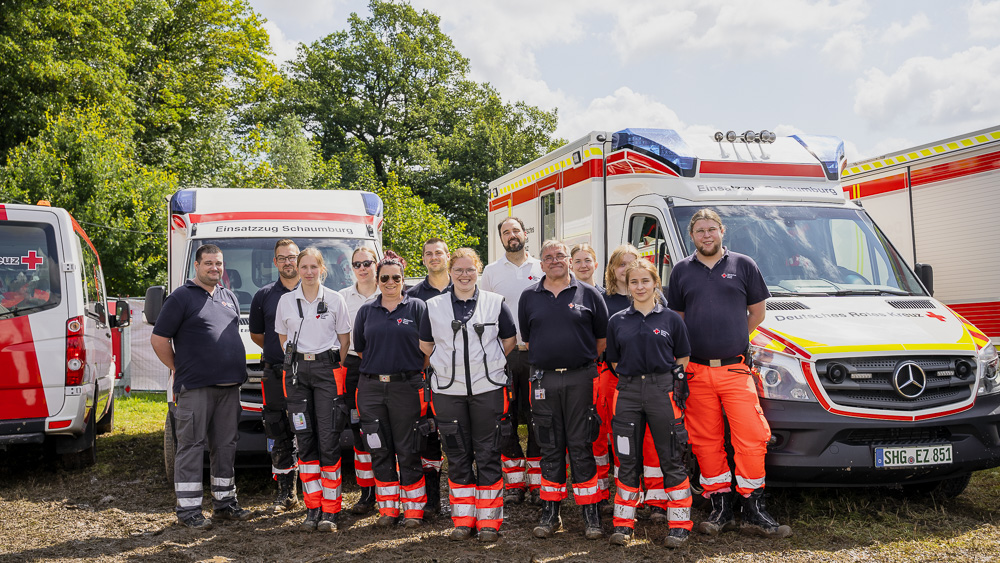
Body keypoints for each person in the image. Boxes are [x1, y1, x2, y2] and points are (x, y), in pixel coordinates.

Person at [666, 208, 792, 538]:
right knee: (706, 441)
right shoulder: (681, 271)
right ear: (691, 236)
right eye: (700, 231)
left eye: (711, 229)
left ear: (722, 231)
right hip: (696, 371)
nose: (706, 235)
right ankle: (720, 505)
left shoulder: (743, 265)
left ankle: (753, 505)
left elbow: (757, 313)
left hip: (735, 368)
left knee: (751, 437)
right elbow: (676, 320)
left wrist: (733, 334)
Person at [418, 248, 517, 542]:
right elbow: (426, 345)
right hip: (448, 392)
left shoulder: (495, 302)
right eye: (459, 270)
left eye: (470, 270)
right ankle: (463, 520)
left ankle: (489, 522)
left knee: (487, 454)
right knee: (458, 455)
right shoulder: (432, 306)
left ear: (479, 272)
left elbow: (508, 341)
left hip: (488, 391)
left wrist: (488, 367)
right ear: (450, 272)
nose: (464, 275)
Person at [151, 244, 251, 530]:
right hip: (196, 388)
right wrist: (178, 368)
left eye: (218, 263)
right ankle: (189, 510)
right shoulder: (181, 297)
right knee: (191, 446)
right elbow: (159, 339)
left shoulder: (227, 296)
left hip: (229, 388)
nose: (214, 268)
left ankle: (225, 503)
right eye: (208, 263)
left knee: (225, 446)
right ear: (197, 265)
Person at [518, 239, 610, 540]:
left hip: (581, 378)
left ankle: (591, 514)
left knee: (582, 445)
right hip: (544, 380)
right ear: (540, 263)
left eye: (560, 256)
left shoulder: (591, 295)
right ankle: (550, 513)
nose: (555, 260)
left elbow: (601, 340)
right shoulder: (528, 297)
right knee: (550, 446)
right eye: (548, 257)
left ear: (568, 261)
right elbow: (530, 341)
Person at [606, 259, 694, 548]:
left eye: (645, 281)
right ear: (627, 286)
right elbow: (615, 360)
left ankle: (680, 524)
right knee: (627, 458)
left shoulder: (671, 319)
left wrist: (668, 382)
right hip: (628, 391)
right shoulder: (617, 320)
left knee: (671, 456)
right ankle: (623, 523)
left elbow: (682, 356)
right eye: (634, 282)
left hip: (662, 390)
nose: (640, 286)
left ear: (656, 283)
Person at [275, 247, 352, 532]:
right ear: (298, 269)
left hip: (326, 371)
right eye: (303, 266)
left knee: (329, 438)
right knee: (304, 438)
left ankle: (331, 510)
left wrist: (328, 365)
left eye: (313, 266)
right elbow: (282, 337)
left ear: (322, 269)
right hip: (297, 373)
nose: (308, 272)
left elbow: (344, 341)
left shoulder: (335, 299)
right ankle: (312, 508)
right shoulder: (285, 301)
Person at [354, 251, 430, 528]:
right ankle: (388, 510)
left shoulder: (417, 308)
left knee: (408, 449)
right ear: (377, 278)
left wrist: (406, 372)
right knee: (379, 448)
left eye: (395, 278)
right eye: (384, 277)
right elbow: (361, 350)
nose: (389, 282)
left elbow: (427, 351)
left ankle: (413, 510)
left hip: (405, 387)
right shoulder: (366, 311)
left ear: (403, 279)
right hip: (372, 388)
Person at [480, 216, 544, 505]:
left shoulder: (542, 267)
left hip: (537, 356)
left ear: (525, 233)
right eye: (506, 232)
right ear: (501, 238)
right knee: (504, 421)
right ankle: (515, 482)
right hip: (504, 356)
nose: (512, 235)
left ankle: (537, 482)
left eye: (516, 229)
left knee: (537, 419)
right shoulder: (491, 272)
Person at [249, 239, 301, 515]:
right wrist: (277, 352)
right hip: (275, 371)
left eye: (292, 257)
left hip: (306, 372)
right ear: (275, 263)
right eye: (282, 258)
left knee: (309, 429)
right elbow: (258, 335)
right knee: (277, 429)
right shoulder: (264, 295)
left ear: (299, 259)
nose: (287, 262)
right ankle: (286, 493)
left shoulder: (314, 292)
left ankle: (314, 494)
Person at [405, 238, 452, 518]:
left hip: (459, 377)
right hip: (424, 376)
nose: (434, 257)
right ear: (423, 259)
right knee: (428, 438)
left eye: (439, 253)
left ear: (447, 256)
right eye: (428, 254)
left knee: (460, 438)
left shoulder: (464, 287)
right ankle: (433, 501)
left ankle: (464, 502)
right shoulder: (412, 295)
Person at [338, 246, 380, 515]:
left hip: (384, 365)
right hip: (354, 366)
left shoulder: (392, 290)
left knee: (386, 429)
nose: (362, 268)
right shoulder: (342, 297)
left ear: (376, 264)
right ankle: (367, 493)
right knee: (358, 431)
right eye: (357, 264)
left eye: (367, 263)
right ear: (351, 268)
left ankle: (390, 490)